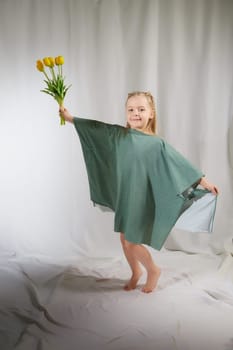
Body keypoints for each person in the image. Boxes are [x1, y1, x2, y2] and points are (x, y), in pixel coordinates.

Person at [59, 91, 219, 293]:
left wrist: (204, 181)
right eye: (131, 109)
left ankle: (153, 270)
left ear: (151, 113)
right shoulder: (118, 135)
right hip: (125, 195)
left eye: (141, 109)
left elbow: (179, 163)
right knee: (124, 239)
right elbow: (96, 128)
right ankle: (136, 272)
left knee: (132, 241)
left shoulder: (156, 144)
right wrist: (70, 118)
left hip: (142, 197)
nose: (135, 113)